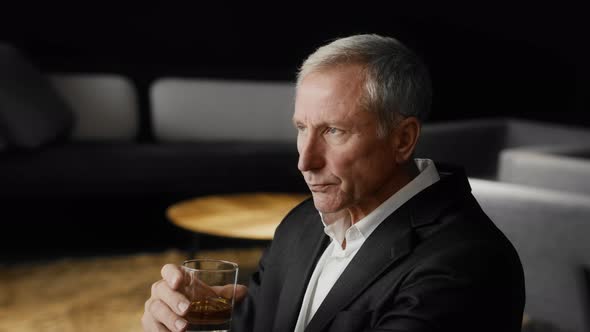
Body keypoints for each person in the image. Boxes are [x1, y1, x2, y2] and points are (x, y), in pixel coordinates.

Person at [142, 34, 525, 332]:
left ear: (403, 139)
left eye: (334, 131)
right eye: (301, 129)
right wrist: (194, 321)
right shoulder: (301, 225)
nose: (304, 161)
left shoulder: (468, 265)